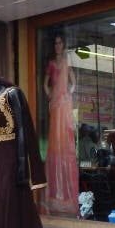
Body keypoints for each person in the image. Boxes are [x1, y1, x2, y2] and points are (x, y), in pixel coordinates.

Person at [0, 72, 52, 228]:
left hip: (10, 165)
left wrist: (22, 172)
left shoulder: (12, 94)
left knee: (13, 218)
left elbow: (23, 133)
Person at [42, 33, 79, 216]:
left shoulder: (67, 60)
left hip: (63, 103)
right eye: (55, 43)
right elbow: (45, 84)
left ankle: (66, 195)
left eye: (59, 42)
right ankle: (55, 195)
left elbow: (73, 81)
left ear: (63, 45)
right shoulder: (51, 63)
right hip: (56, 104)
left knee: (64, 140)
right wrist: (50, 94)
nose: (57, 45)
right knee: (55, 143)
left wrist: (69, 94)